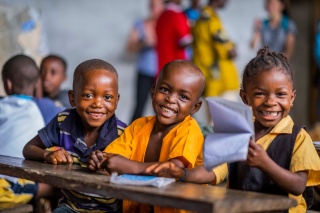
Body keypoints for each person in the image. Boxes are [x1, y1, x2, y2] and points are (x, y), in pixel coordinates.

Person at [147, 47, 320, 213]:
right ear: (245, 97)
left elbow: (298, 186)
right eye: (260, 93)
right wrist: (183, 173)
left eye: (280, 94)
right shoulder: (238, 134)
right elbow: (212, 172)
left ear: (292, 98)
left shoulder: (298, 137)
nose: (270, 101)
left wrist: (264, 163)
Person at [87, 60, 227, 213]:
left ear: (195, 107)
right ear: (153, 90)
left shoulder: (189, 130)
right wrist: (101, 160)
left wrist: (130, 167)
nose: (171, 99)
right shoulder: (139, 125)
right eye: (165, 89)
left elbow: (172, 171)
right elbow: (114, 157)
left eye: (183, 97)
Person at [23, 59, 127, 213]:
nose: (98, 104)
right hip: (71, 207)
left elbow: (131, 173)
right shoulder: (63, 121)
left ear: (116, 100)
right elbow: (29, 149)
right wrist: (47, 154)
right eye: (88, 95)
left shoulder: (122, 133)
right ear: (72, 97)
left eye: (107, 97)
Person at [0, 54, 60, 212]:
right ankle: (49, 190)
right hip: (22, 176)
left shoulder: (2, 106)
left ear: (8, 83)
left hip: (11, 182)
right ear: (37, 83)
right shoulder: (44, 108)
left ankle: (47, 189)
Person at [192, 0, 239, 100]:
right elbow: (224, 46)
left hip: (208, 76)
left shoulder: (202, 16)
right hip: (219, 78)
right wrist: (231, 49)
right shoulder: (210, 18)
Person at [127, 0, 164, 123]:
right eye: (151, 5)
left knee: (163, 108)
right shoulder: (141, 24)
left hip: (163, 72)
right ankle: (130, 137)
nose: (153, 8)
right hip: (145, 70)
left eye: (156, 5)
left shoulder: (169, 23)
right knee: (139, 106)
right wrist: (144, 43)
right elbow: (129, 48)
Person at [156, 0, 192, 77]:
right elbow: (185, 40)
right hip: (177, 69)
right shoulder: (177, 16)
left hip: (162, 69)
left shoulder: (162, 16)